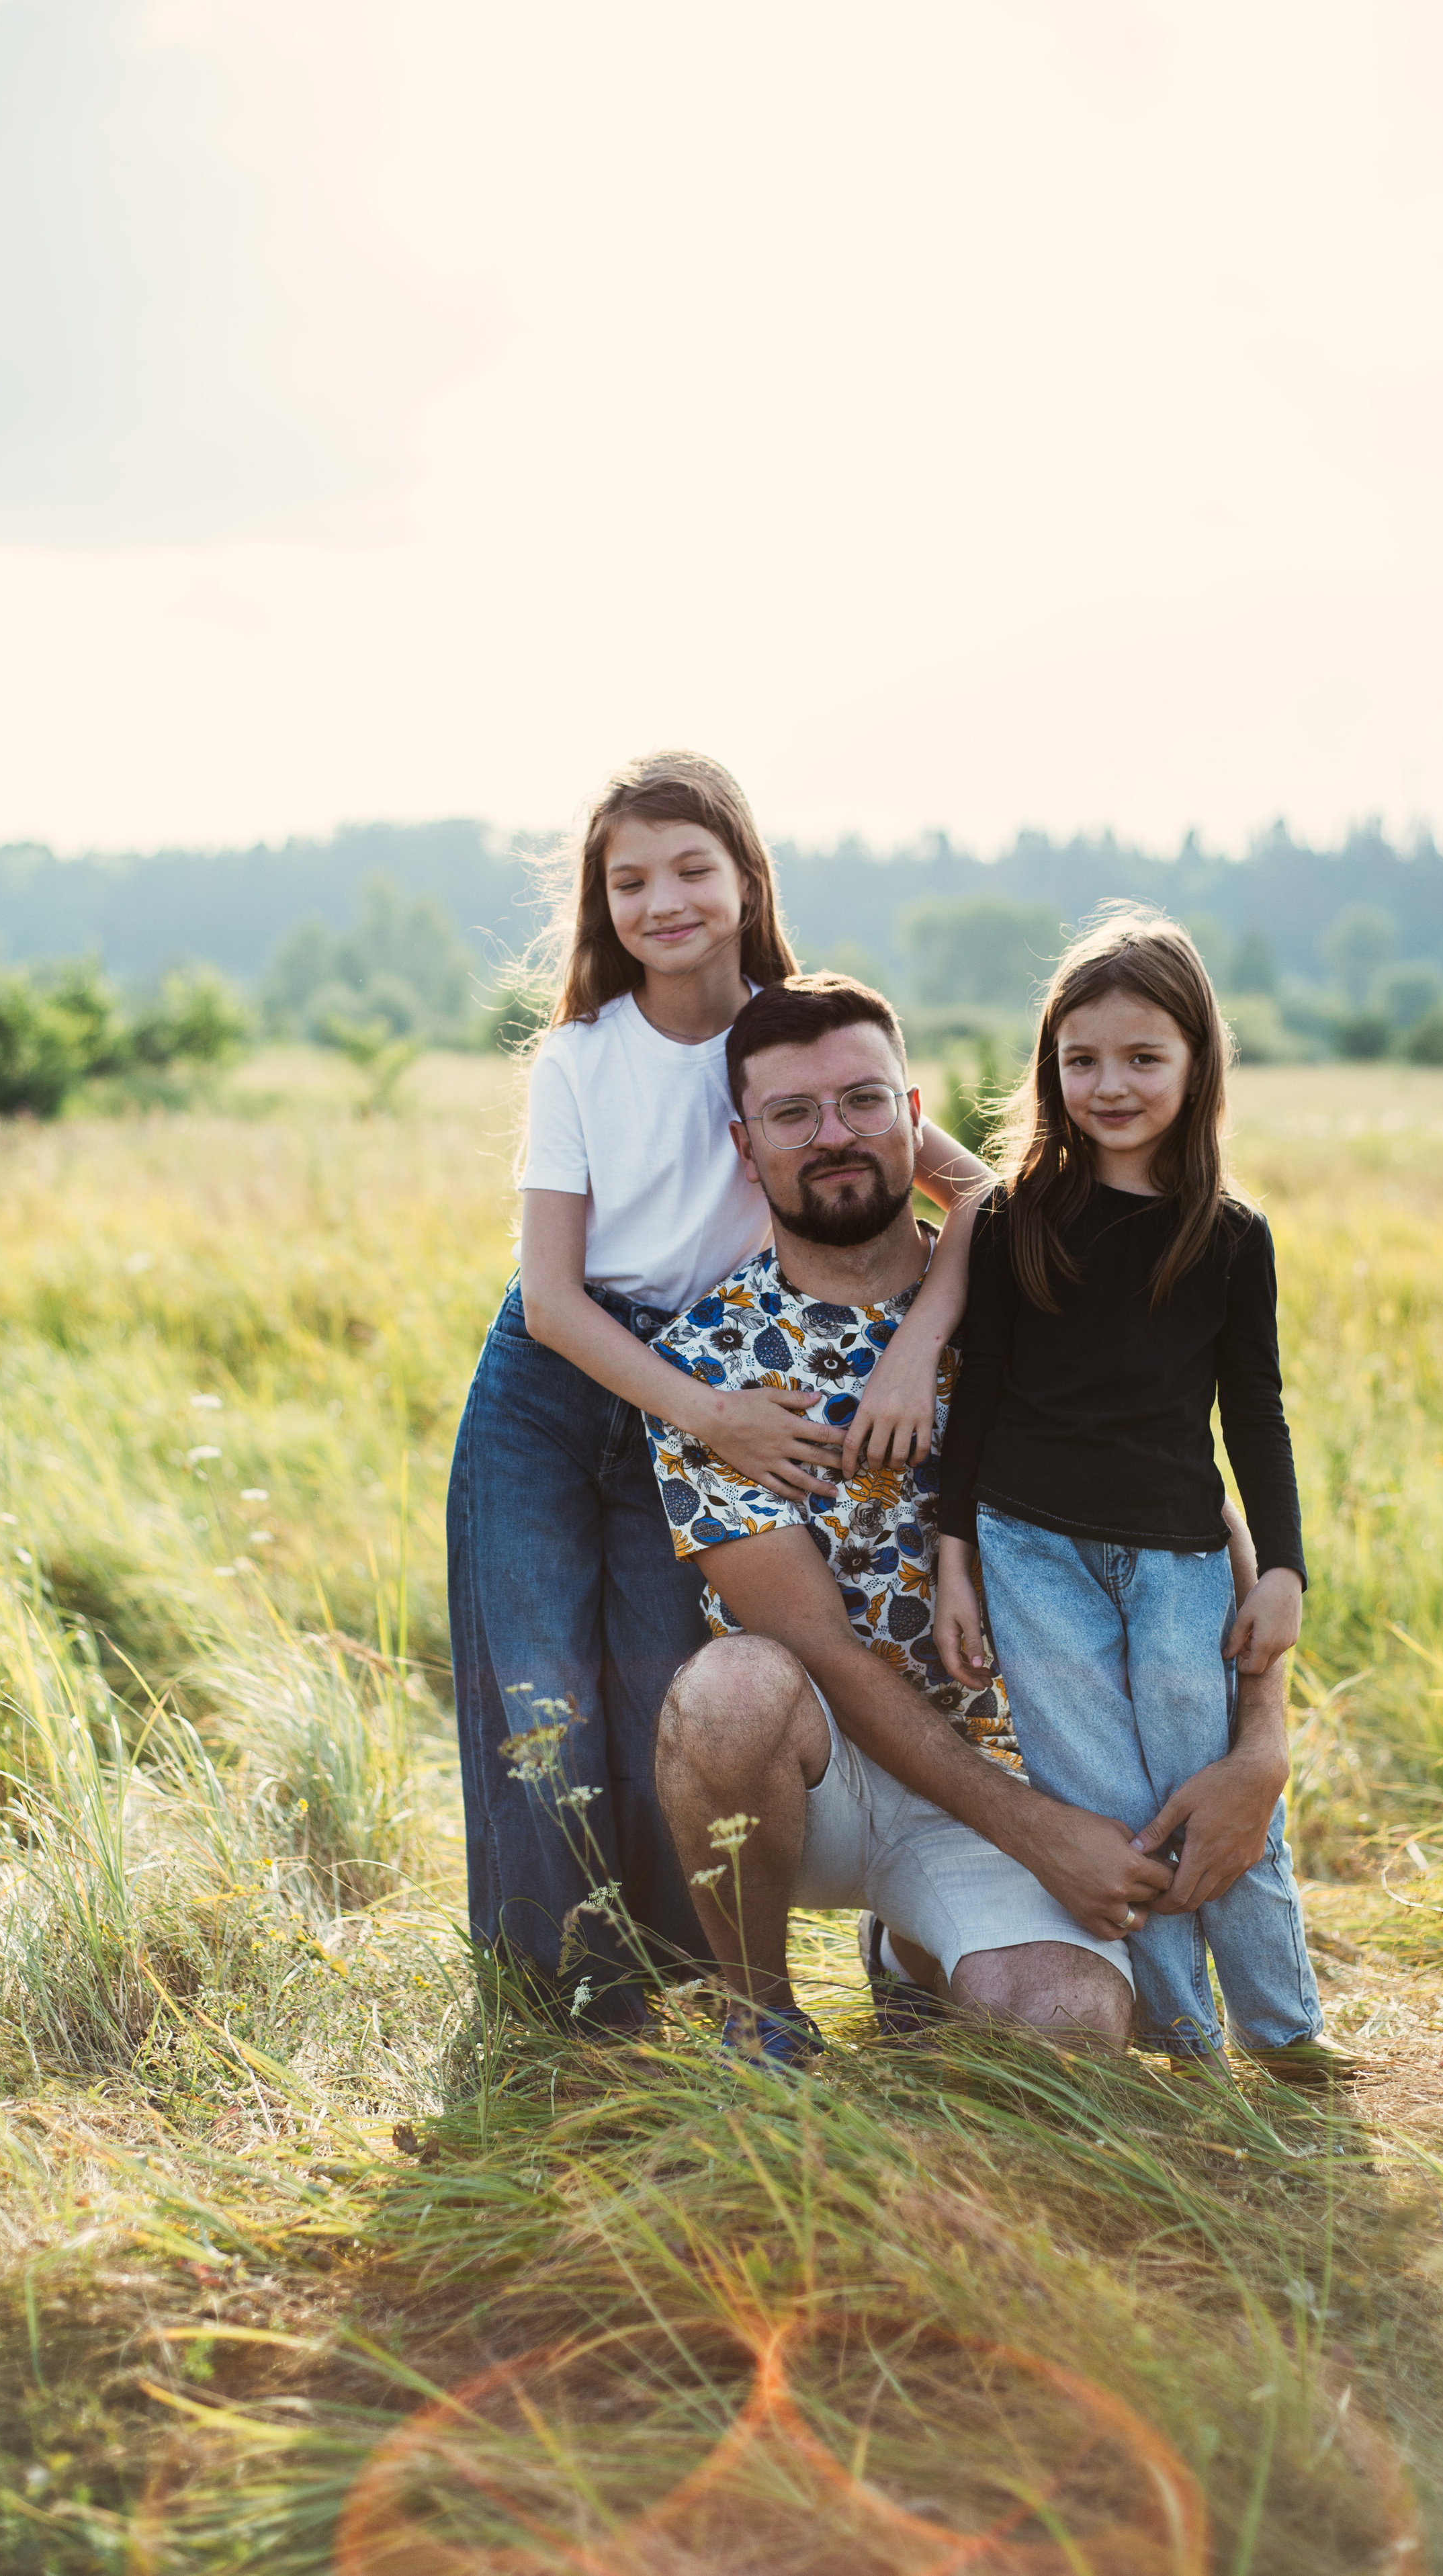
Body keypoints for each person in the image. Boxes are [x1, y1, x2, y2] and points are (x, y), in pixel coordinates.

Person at [646, 972, 1293, 2065]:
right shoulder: (707, 1362)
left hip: (1019, 1753)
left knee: (1068, 2030)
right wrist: (1040, 1835)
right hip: (823, 1774)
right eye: (792, 1113)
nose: (833, 1135)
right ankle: (761, 2017)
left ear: (914, 1115)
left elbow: (1190, 1491)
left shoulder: (1041, 1280)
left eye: (862, 1100)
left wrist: (1263, 1743)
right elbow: (817, 1647)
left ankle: (913, 1953)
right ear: (745, 1146)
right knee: (729, 1692)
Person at [447, 754, 990, 2028]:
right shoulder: (581, 1056)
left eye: (692, 868)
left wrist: (916, 1349)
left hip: (708, 1376)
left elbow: (977, 1191)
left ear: (748, 879)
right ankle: (553, 2000)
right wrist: (712, 1416)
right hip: (558, 1387)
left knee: (662, 1687)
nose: (664, 901)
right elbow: (552, 1300)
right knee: (537, 1686)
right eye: (629, 880)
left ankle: (676, 1987)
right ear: (602, 904)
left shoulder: (787, 1045)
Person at [933, 907, 1346, 2082]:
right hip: (1029, 1551)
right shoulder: (1014, 1218)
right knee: (1110, 1807)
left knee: (1205, 1789)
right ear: (1050, 1067)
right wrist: (956, 1556)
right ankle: (1183, 2041)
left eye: (1142, 1057)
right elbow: (978, 1398)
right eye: (1082, 1060)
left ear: (1198, 1062)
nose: (1109, 1085)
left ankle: (1284, 2033)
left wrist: (1283, 1566)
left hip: (1177, 1557)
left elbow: (1255, 1410)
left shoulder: (1229, 1236)